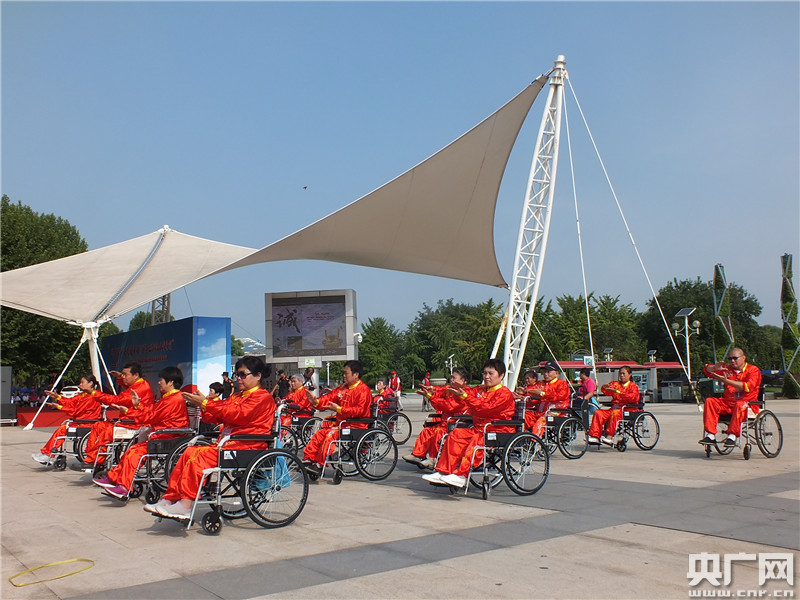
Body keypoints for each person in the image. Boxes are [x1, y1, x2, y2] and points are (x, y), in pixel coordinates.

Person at [144, 356, 275, 520]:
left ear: (258, 376)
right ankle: (170, 499)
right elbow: (220, 413)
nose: (238, 378)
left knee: (199, 457)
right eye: (237, 374)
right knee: (188, 452)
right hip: (229, 444)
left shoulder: (262, 397)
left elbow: (238, 414)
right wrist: (203, 405)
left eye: (243, 374)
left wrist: (206, 404)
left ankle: (185, 504)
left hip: (246, 445)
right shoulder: (237, 396)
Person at [92, 366, 189, 498]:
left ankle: (124, 487)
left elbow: (150, 416)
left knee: (134, 452)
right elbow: (152, 412)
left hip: (168, 438)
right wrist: (138, 406)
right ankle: (113, 478)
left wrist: (129, 411)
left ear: (170, 382)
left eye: (161, 380)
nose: (159, 382)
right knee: (132, 450)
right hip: (163, 435)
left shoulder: (173, 399)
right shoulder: (169, 398)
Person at [422, 359, 515, 488]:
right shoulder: (480, 390)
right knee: (455, 434)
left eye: (490, 373)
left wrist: (465, 396)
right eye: (485, 373)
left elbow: (485, 408)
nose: (486, 376)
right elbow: (463, 394)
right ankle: (444, 470)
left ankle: (462, 475)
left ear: (501, 375)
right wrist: (438, 392)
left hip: (498, 430)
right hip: (479, 429)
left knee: (477, 439)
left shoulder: (504, 394)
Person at [301, 360, 372, 477]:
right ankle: (309, 459)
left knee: (330, 435)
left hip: (356, 425)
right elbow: (330, 397)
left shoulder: (364, 390)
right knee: (320, 434)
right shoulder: (343, 387)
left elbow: (360, 410)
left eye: (346, 373)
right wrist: (316, 402)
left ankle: (319, 465)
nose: (344, 376)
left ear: (356, 374)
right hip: (342, 424)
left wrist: (339, 409)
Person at [81, 362, 155, 471]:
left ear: (136, 375)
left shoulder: (141, 388)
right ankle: (91, 457)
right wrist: (120, 377)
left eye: (126, 375)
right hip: (128, 421)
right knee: (98, 426)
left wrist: (93, 393)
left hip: (135, 423)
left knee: (107, 432)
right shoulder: (138, 385)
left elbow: (117, 400)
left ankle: (96, 460)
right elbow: (127, 388)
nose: (124, 377)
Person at [403, 367, 469, 469]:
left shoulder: (464, 393)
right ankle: (418, 454)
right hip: (446, 423)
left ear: (463, 380)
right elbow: (440, 390)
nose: (451, 380)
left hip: (457, 424)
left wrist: (431, 396)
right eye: (451, 378)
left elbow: (448, 407)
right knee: (427, 431)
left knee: (438, 432)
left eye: (454, 378)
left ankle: (432, 459)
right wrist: (431, 390)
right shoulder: (450, 389)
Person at [32, 374, 103, 464]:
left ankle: (48, 453)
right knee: (62, 428)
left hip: (87, 423)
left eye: (82, 382)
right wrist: (58, 397)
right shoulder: (83, 395)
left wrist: (59, 407)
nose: (80, 385)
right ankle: (47, 452)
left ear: (90, 383)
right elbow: (71, 402)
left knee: (62, 430)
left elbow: (75, 411)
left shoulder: (91, 397)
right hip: (82, 422)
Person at [698, 348, 761, 447]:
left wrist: (727, 381)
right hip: (727, 403)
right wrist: (714, 368)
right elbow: (706, 370)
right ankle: (711, 435)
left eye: (735, 358)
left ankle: (732, 436)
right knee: (710, 401)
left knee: (740, 404)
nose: (732, 361)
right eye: (730, 358)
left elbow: (748, 387)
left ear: (743, 358)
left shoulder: (753, 370)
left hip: (746, 404)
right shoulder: (726, 369)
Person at [587, 366, 640, 445]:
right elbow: (607, 391)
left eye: (623, 373)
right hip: (614, 408)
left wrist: (618, 392)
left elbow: (633, 398)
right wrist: (605, 388)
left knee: (615, 414)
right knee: (598, 413)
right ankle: (595, 436)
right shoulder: (616, 384)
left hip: (627, 409)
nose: (621, 375)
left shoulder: (633, 386)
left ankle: (609, 436)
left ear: (630, 375)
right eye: (620, 373)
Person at [526, 361, 571, 438]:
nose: (546, 374)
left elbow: (559, 397)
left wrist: (542, 393)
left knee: (541, 421)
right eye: (544, 372)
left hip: (556, 411)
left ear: (556, 373)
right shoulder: (541, 383)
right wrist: (523, 392)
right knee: (525, 416)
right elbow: (532, 390)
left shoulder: (562, 384)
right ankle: (523, 437)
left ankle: (534, 441)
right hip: (541, 411)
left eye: (548, 372)